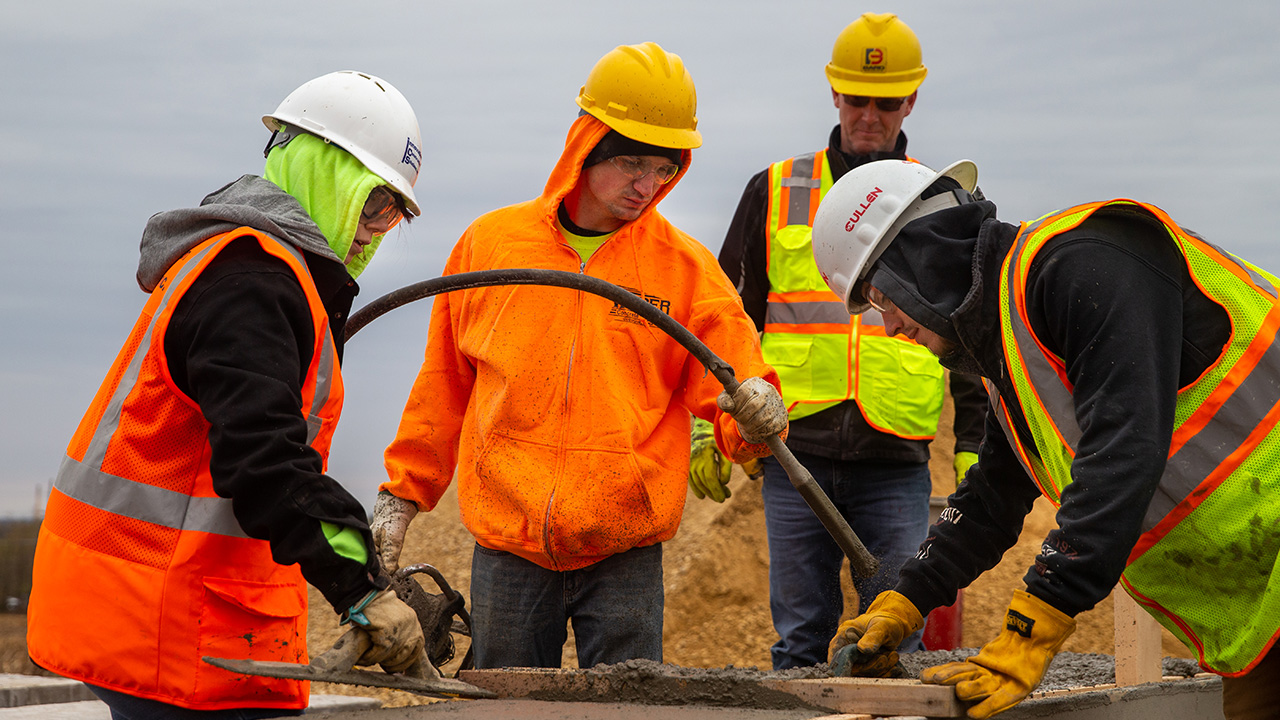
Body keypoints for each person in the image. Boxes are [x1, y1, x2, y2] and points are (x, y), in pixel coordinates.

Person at [811, 157, 1280, 720]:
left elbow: (1122, 455)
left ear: (919, 257)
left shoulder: (1083, 266)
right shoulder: (1015, 342)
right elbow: (992, 497)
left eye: (880, 297)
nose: (888, 326)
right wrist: (907, 599)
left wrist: (1034, 623)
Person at [370, 42, 788, 671]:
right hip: (509, 549)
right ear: (584, 145)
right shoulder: (491, 247)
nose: (647, 186)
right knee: (505, 712)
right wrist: (401, 499)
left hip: (626, 551)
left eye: (666, 168)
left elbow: (735, 388)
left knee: (627, 712)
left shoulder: (686, 271)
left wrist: (757, 417)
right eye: (630, 163)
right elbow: (443, 388)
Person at [26, 71, 429, 719]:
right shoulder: (253, 283)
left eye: (393, 219)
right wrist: (362, 586)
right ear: (327, 174)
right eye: (375, 205)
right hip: (162, 618)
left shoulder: (272, 276)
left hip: (167, 608)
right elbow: (266, 462)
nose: (373, 233)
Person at [701, 12, 987, 670]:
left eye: (885, 102)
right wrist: (711, 424)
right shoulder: (774, 191)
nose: (869, 114)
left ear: (910, 100)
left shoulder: (939, 203)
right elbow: (723, 322)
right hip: (794, 457)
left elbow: (974, 337)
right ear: (834, 94)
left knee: (895, 638)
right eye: (856, 98)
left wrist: (973, 450)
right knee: (802, 641)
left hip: (897, 464)